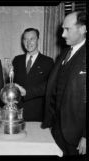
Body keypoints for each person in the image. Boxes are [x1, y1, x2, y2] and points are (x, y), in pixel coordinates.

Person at [42, 11, 86, 155]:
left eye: (67, 29)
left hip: (77, 136)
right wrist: (26, 91)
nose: (62, 35)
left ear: (83, 29)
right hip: (57, 129)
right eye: (62, 29)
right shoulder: (64, 54)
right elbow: (53, 86)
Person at [12, 28, 54, 121]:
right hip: (17, 111)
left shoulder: (48, 61)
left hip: (38, 112)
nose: (28, 42)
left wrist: (27, 92)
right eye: (25, 39)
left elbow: (48, 86)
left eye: (32, 39)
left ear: (38, 40)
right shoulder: (17, 60)